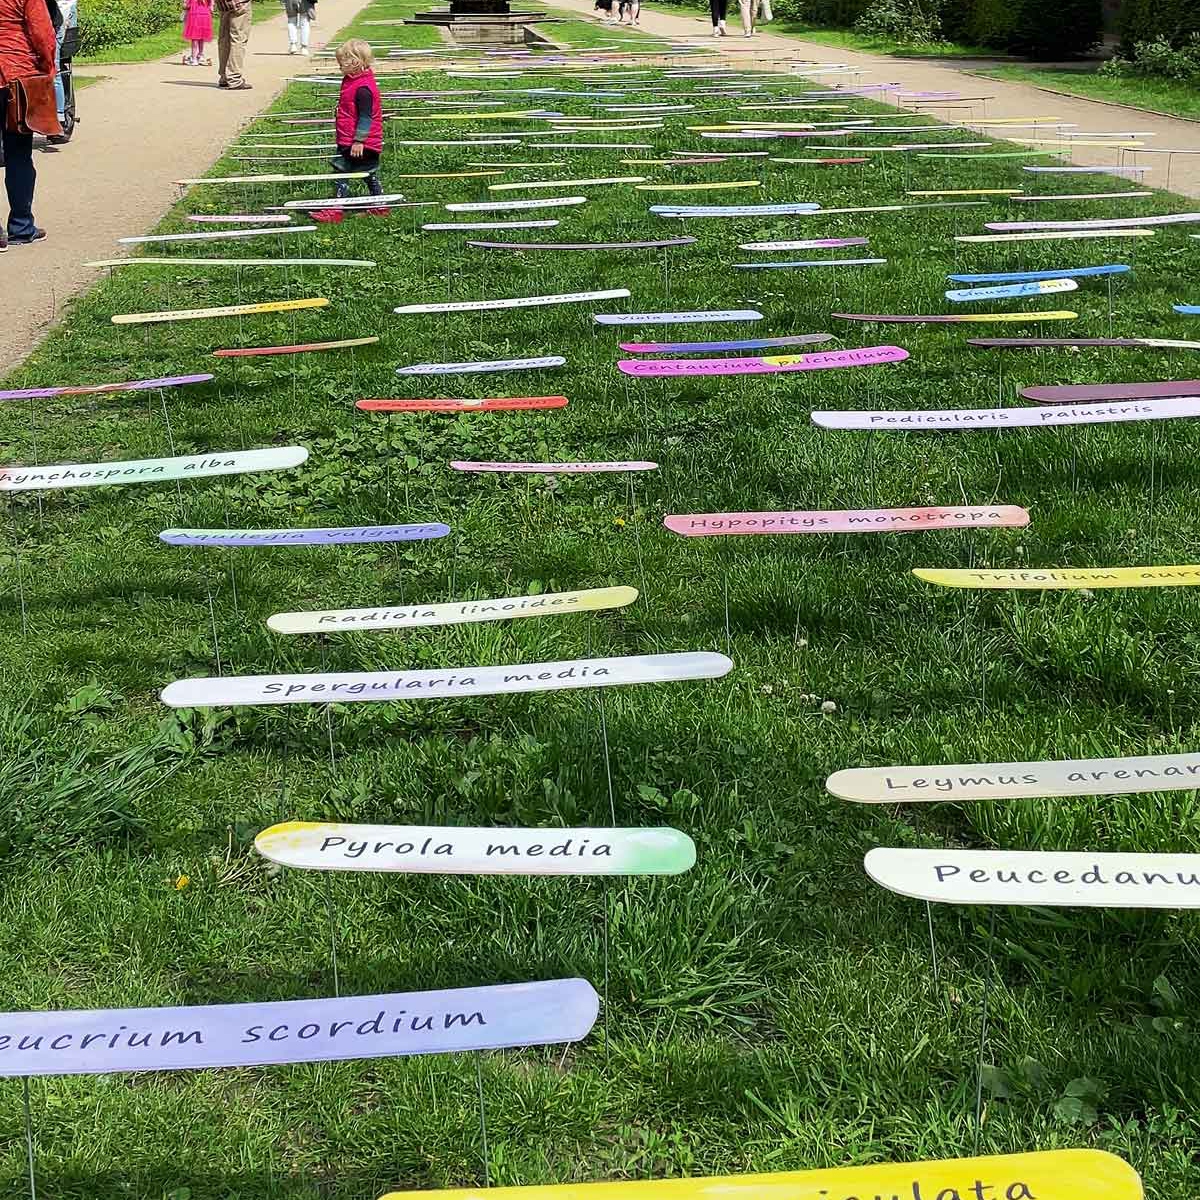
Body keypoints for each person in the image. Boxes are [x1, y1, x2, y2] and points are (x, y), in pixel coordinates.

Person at [0, 0, 57, 248]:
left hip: (13, 73)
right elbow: (41, 31)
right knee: (19, 154)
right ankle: (21, 226)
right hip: (16, 76)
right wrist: (48, 67)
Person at [327, 39, 384, 209]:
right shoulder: (352, 81)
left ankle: (337, 208)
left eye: (341, 63)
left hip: (359, 142)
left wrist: (359, 141)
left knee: (342, 170)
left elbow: (366, 117)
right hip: (349, 138)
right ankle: (379, 204)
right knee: (366, 172)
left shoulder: (363, 88)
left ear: (355, 62)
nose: (338, 66)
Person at [215, 0, 251, 90]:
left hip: (223, 4)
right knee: (238, 39)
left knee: (224, 39)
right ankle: (234, 79)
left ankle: (224, 77)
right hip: (239, 3)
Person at [182, 0, 213, 65]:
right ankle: (200, 55)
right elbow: (211, 6)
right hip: (205, 14)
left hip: (194, 14)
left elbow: (186, 6)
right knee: (202, 36)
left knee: (194, 37)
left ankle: (193, 58)